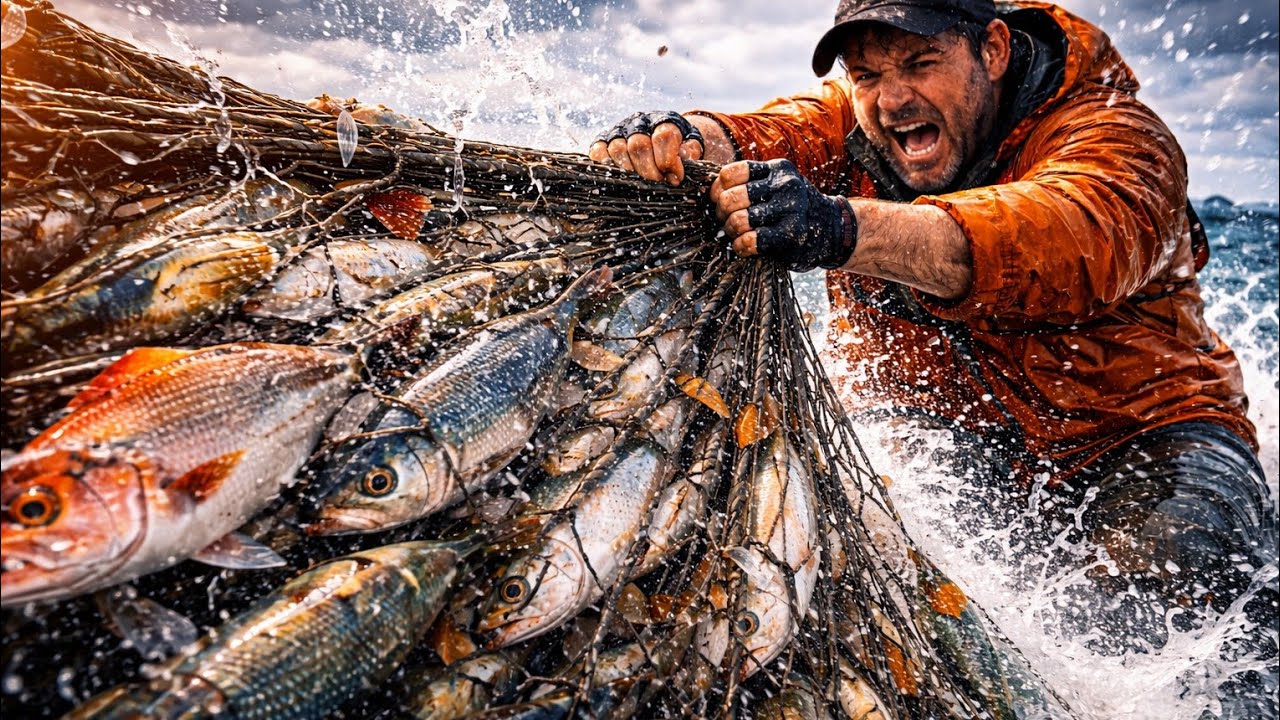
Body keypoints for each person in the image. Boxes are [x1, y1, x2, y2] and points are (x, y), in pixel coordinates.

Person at [588, 0, 1277, 717]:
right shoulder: (856, 123)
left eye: (921, 63)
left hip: (1145, 437)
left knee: (1165, 612)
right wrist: (680, 140)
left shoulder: (1119, 137)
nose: (892, 99)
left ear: (996, 51)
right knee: (868, 576)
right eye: (867, 73)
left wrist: (843, 226)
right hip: (937, 422)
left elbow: (1063, 234)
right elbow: (769, 132)